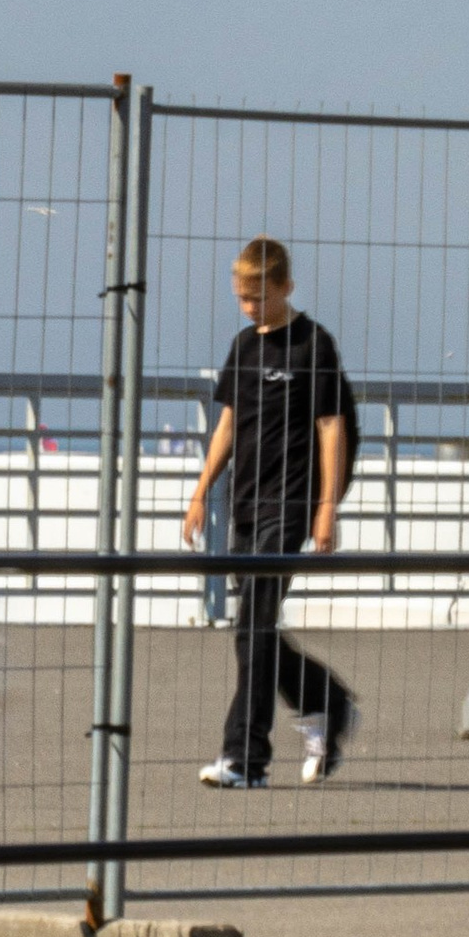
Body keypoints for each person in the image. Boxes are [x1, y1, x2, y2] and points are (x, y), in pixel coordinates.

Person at [182, 234, 359, 790]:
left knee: (253, 626)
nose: (250, 307)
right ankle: (326, 702)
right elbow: (228, 425)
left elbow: (333, 428)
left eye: (259, 296)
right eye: (242, 297)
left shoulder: (314, 345)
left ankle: (245, 759)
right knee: (253, 628)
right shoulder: (244, 346)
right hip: (246, 503)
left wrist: (326, 507)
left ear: (286, 286)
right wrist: (199, 492)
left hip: (292, 503)